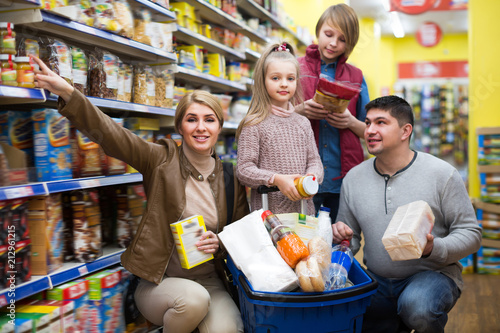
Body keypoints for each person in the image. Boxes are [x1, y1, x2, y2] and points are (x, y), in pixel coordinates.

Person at [32, 56, 250, 333]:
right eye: (191, 119)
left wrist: (219, 243)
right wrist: (68, 93)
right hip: (159, 281)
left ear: (219, 126)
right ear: (180, 126)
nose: (201, 127)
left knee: (228, 330)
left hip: (210, 280)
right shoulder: (160, 159)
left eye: (209, 120)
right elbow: (113, 135)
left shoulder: (229, 177)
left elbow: (239, 236)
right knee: (193, 302)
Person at [332, 95, 482, 333]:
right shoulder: (353, 178)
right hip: (377, 280)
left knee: (417, 308)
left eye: (381, 122)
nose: (369, 130)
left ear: (405, 131)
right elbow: (348, 240)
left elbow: (471, 234)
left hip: (433, 274)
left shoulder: (442, 174)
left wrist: (434, 248)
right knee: (351, 314)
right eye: (368, 122)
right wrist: (340, 237)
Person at [296, 4, 370, 221]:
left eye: (343, 39)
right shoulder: (294, 69)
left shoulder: (356, 76)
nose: (333, 43)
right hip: (303, 175)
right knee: (307, 240)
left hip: (345, 177)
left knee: (343, 239)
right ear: (318, 30)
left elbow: (370, 130)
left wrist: (349, 121)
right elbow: (272, 119)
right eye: (328, 34)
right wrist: (299, 111)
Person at [235, 41, 323, 215]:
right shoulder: (254, 123)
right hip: (270, 215)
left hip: (304, 213)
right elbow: (244, 169)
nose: (284, 84)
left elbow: (315, 161)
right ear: (263, 81)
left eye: (290, 78)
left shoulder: (303, 123)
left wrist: (310, 178)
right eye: (276, 78)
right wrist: (276, 179)